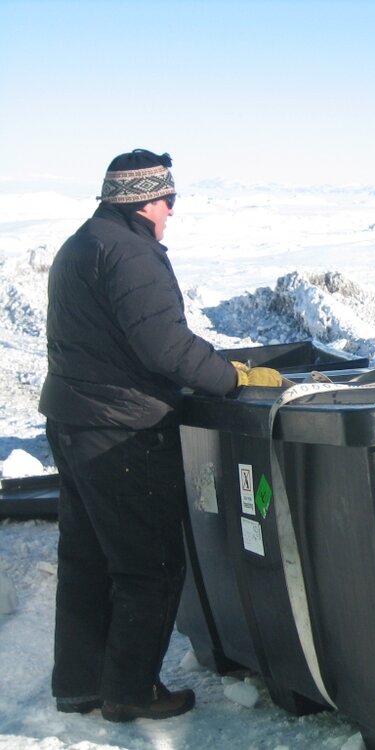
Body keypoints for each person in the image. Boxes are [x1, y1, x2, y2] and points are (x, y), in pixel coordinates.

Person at [39, 149, 282, 721]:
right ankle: (130, 692)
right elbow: (166, 347)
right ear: (145, 199)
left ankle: (80, 685)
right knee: (148, 565)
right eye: (169, 200)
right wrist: (233, 378)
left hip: (73, 422)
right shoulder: (130, 254)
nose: (172, 212)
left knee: (87, 559)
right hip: (122, 431)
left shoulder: (84, 242)